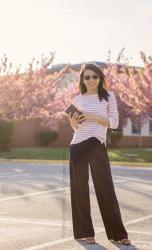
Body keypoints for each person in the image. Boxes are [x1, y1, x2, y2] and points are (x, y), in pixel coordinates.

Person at [67, 63, 131, 245]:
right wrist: (73, 121)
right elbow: (76, 128)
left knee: (106, 189)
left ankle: (118, 234)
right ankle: (85, 232)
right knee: (79, 191)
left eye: (94, 76)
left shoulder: (109, 97)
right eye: (87, 77)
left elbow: (114, 122)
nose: (91, 80)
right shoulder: (78, 100)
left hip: (96, 144)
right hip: (77, 146)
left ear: (100, 78)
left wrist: (92, 117)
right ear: (83, 80)